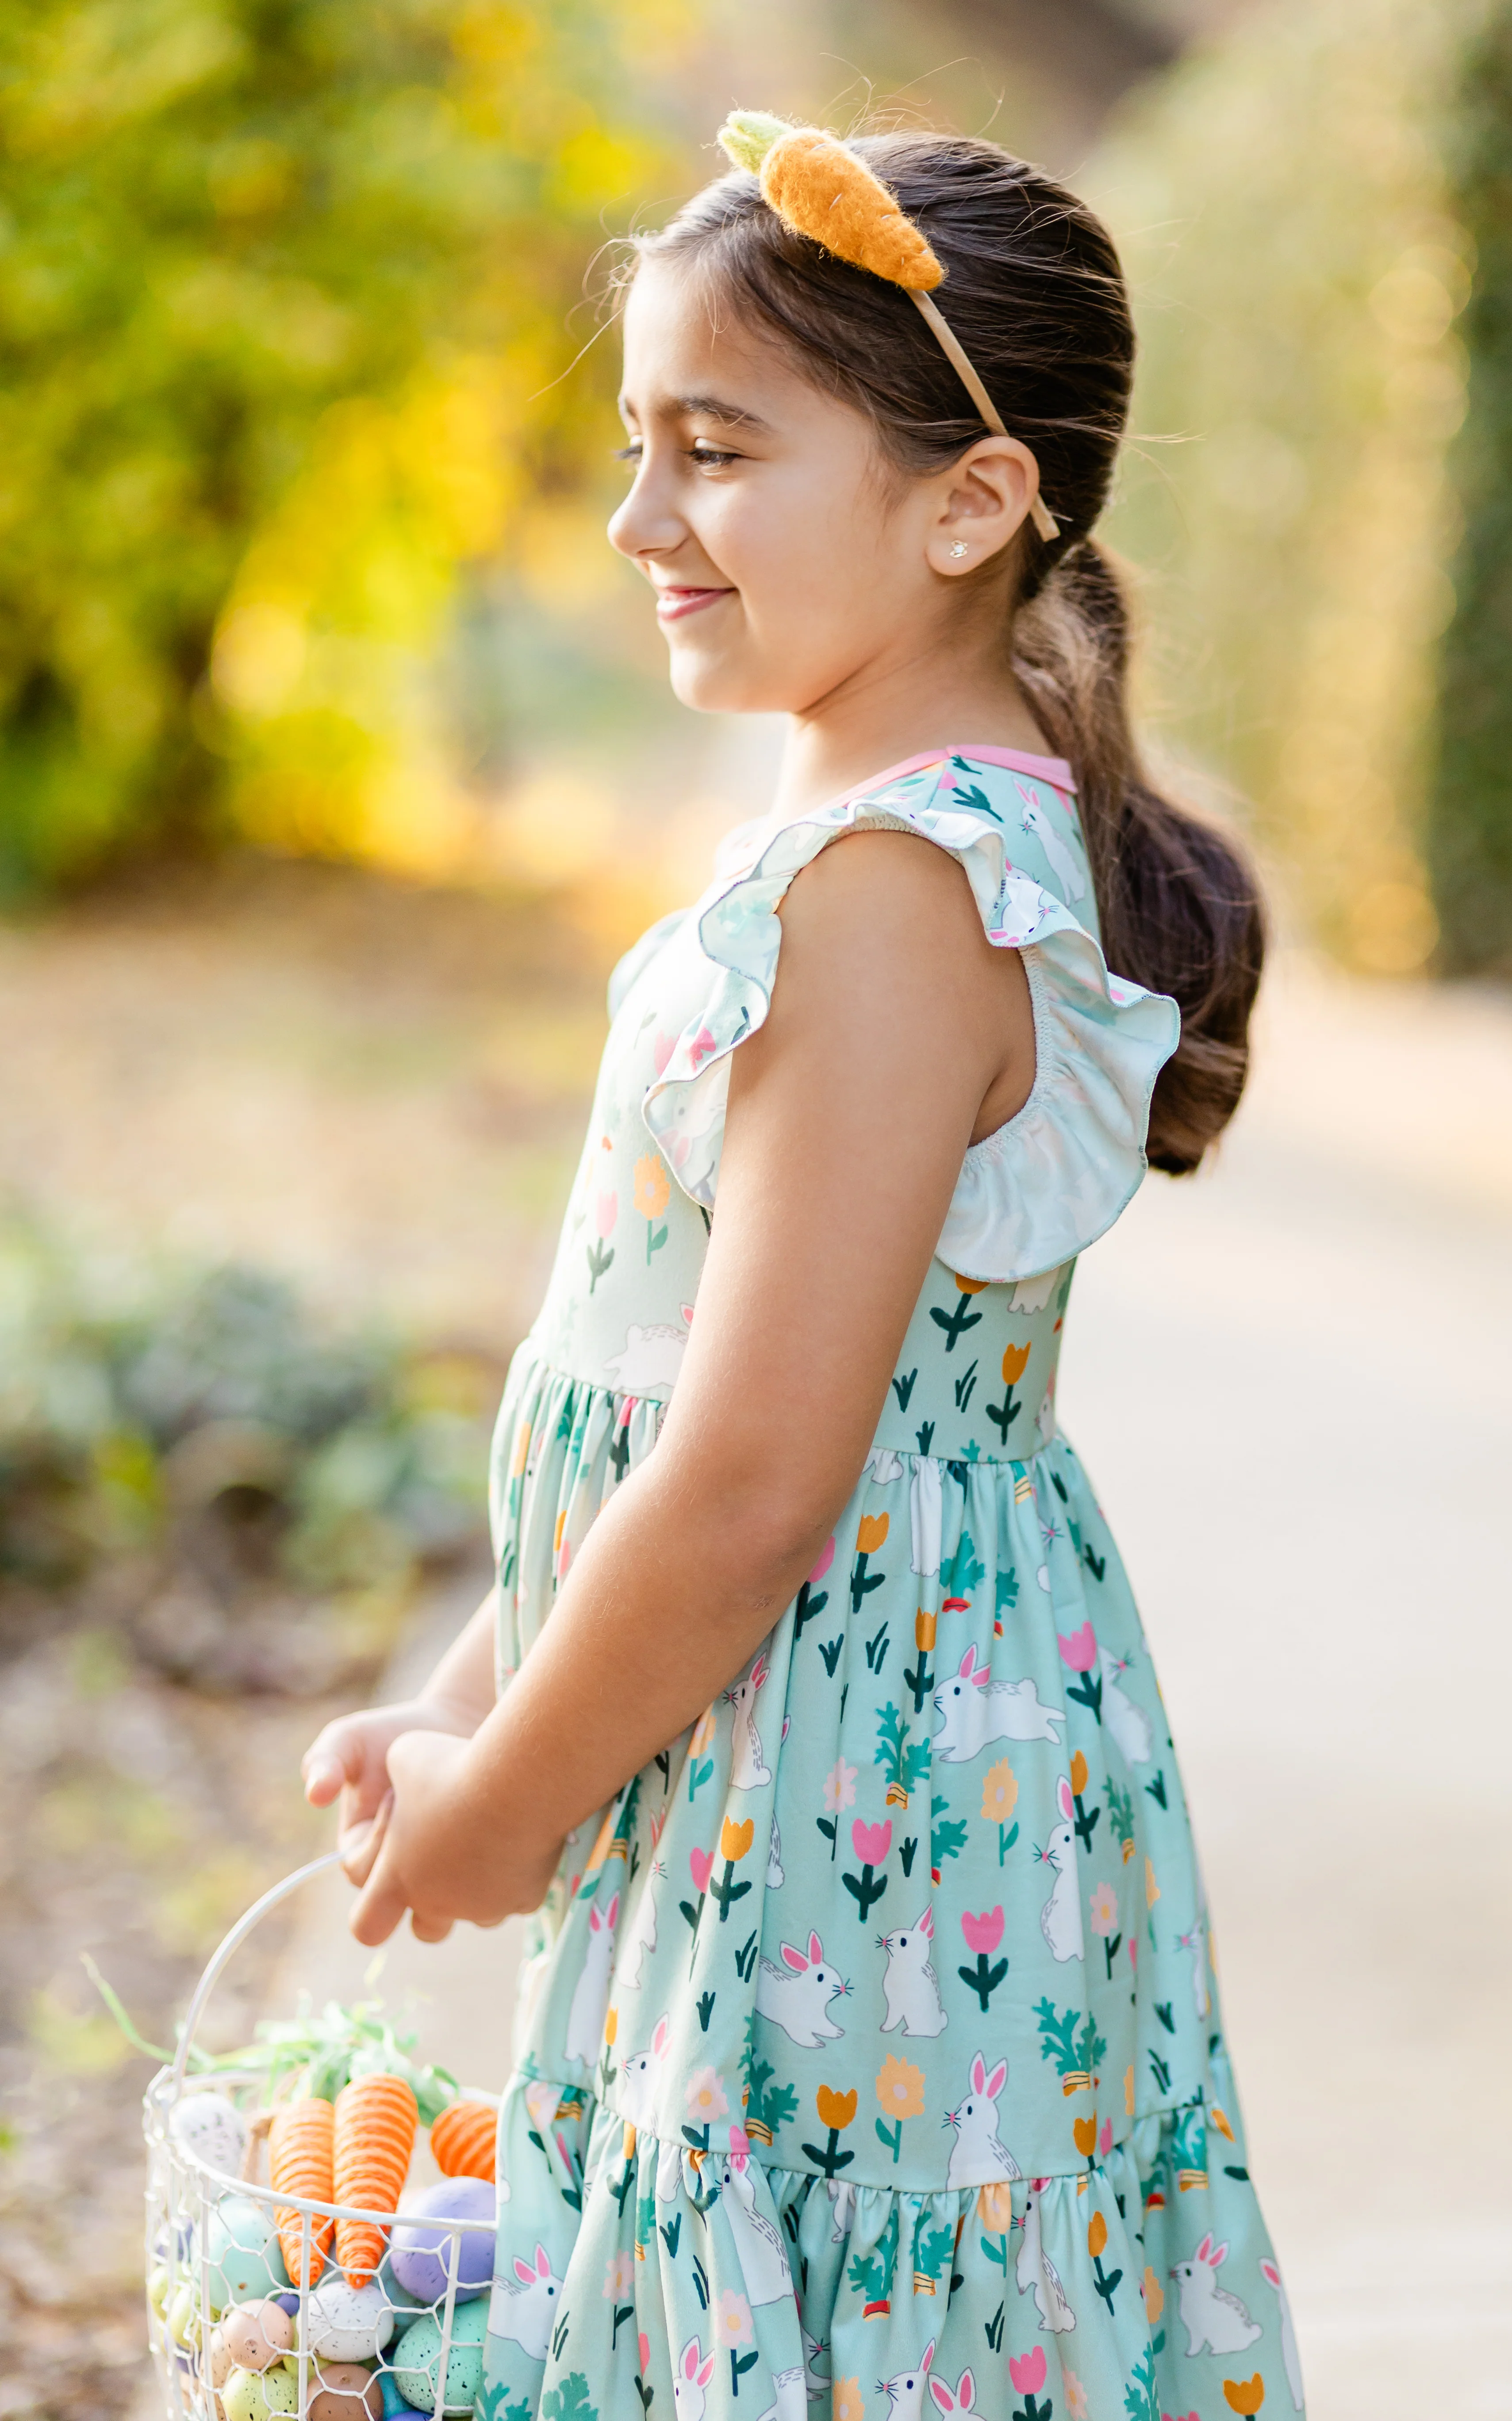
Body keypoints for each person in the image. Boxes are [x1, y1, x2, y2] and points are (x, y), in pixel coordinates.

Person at [302, 115, 1301, 2421]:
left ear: (971, 502)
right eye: (637, 447)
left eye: (720, 451)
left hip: (845, 1806)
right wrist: (481, 1692)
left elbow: (755, 1476)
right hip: (834, 1744)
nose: (644, 522)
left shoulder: (888, 895)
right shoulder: (888, 843)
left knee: (842, 2323)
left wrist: (517, 1796)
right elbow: (651, 1380)